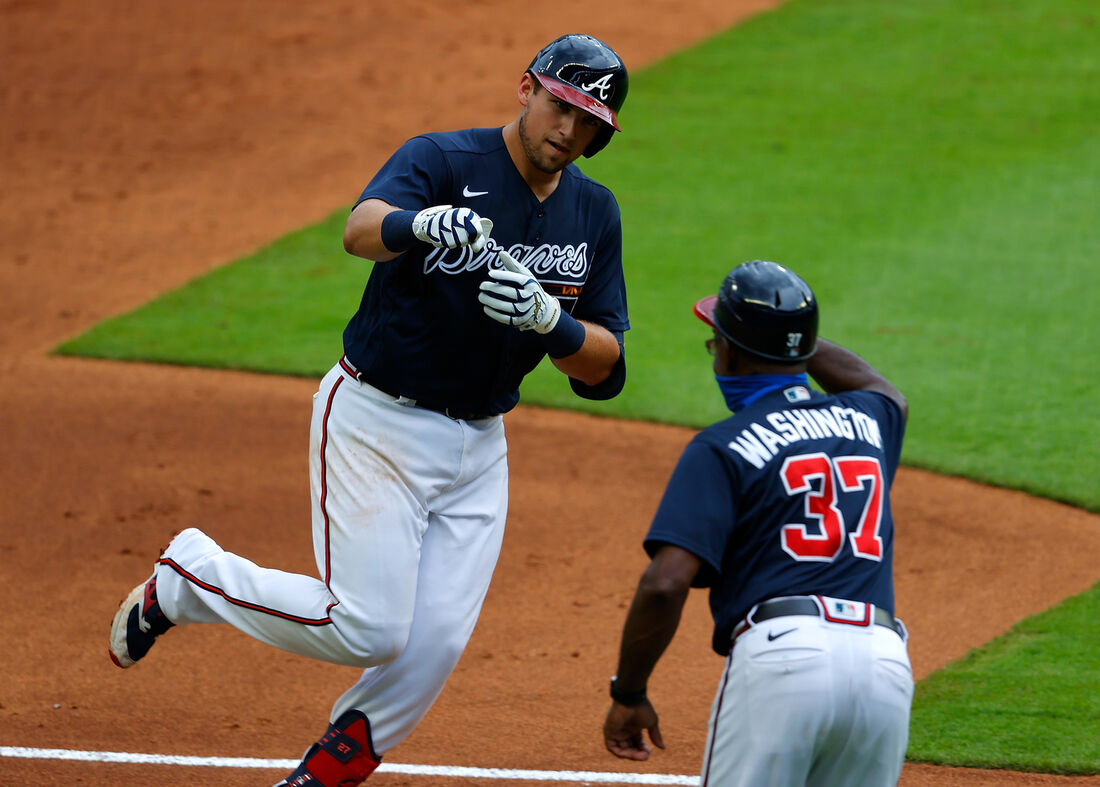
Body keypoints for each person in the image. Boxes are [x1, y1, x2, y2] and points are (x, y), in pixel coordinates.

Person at [109, 33, 630, 786]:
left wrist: (555, 325)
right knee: (369, 627)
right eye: (562, 107)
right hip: (378, 421)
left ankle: (328, 770)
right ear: (528, 88)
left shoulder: (593, 212)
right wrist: (415, 227)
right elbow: (360, 228)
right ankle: (190, 578)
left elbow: (606, 367)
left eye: (589, 124)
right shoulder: (445, 160)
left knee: (436, 641)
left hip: (482, 444)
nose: (569, 132)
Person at [602, 260, 913, 786]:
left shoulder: (720, 446)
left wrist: (628, 692)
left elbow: (666, 582)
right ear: (801, 352)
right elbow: (883, 388)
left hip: (783, 659)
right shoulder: (871, 419)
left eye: (716, 341)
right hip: (885, 663)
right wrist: (790, 340)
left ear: (730, 350)